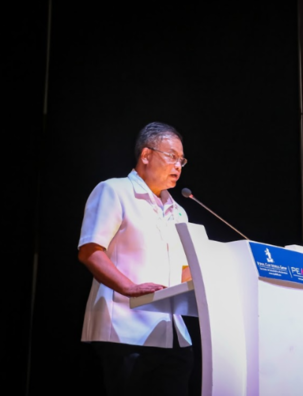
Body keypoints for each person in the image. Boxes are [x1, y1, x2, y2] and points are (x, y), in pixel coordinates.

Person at [78, 121, 193, 396]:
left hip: (174, 335)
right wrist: (129, 287)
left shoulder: (178, 211)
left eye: (182, 160)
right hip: (125, 330)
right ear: (146, 155)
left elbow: (183, 272)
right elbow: (90, 251)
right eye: (172, 156)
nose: (178, 166)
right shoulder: (114, 191)